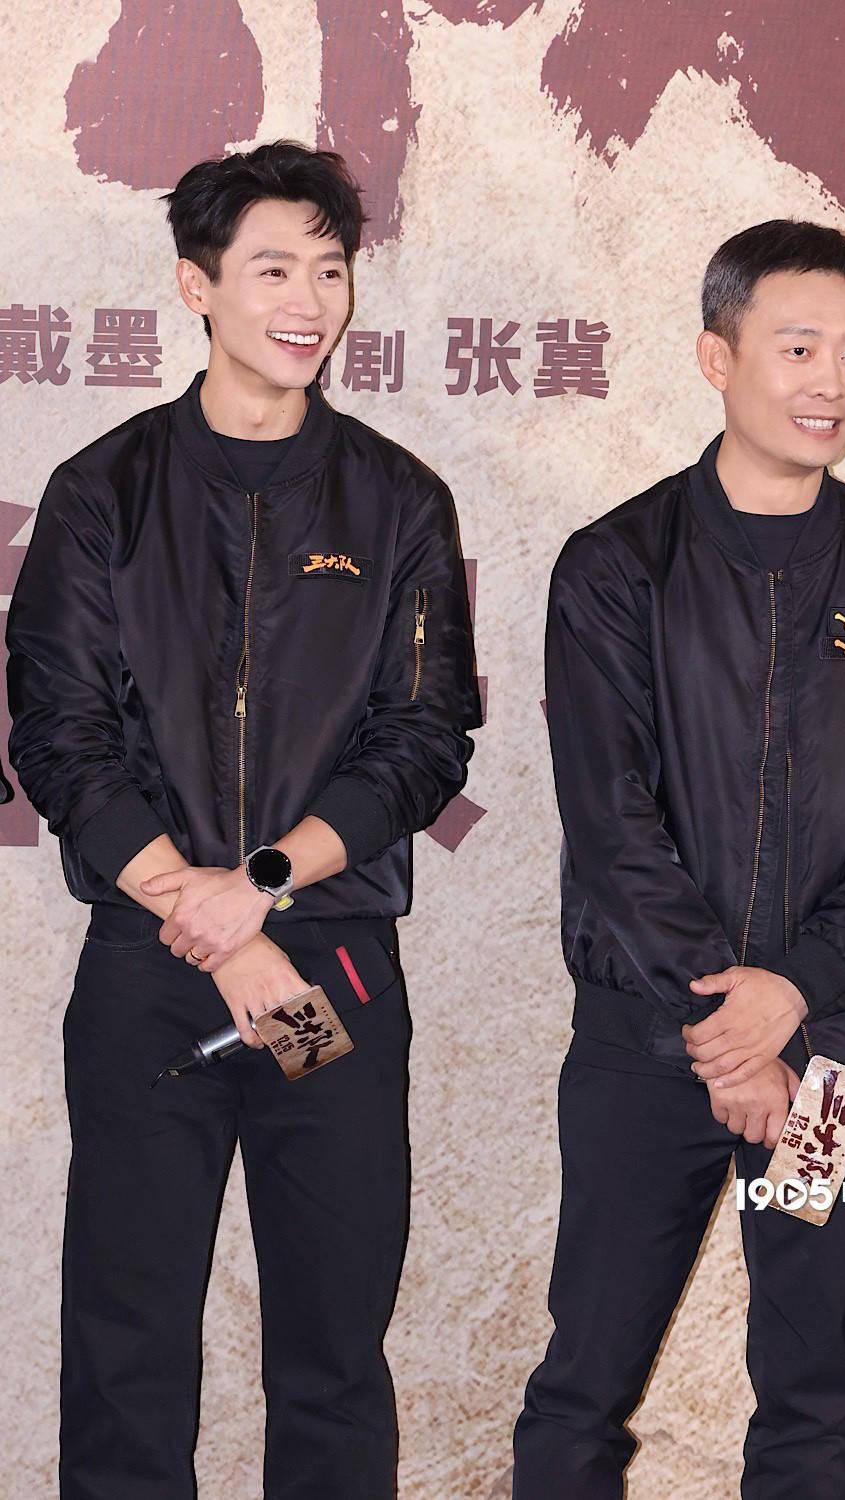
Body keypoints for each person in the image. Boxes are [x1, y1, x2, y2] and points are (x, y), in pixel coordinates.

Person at [5, 139, 481, 1499]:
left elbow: (421, 738)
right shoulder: (104, 492)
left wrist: (259, 887)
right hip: (150, 975)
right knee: (128, 1333)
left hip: (323, 973)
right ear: (196, 285)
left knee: (332, 1340)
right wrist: (204, 915)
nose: (308, 300)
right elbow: (60, 734)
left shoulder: (395, 499)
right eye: (272, 269)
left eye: (329, 270)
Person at [511, 219, 845, 1498]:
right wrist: (727, 1030)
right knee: (583, 1386)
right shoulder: (616, 565)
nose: (832, 381)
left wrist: (793, 994)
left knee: (815, 1399)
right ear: (717, 358)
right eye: (798, 348)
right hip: (646, 1047)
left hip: (832, 1059)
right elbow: (610, 819)